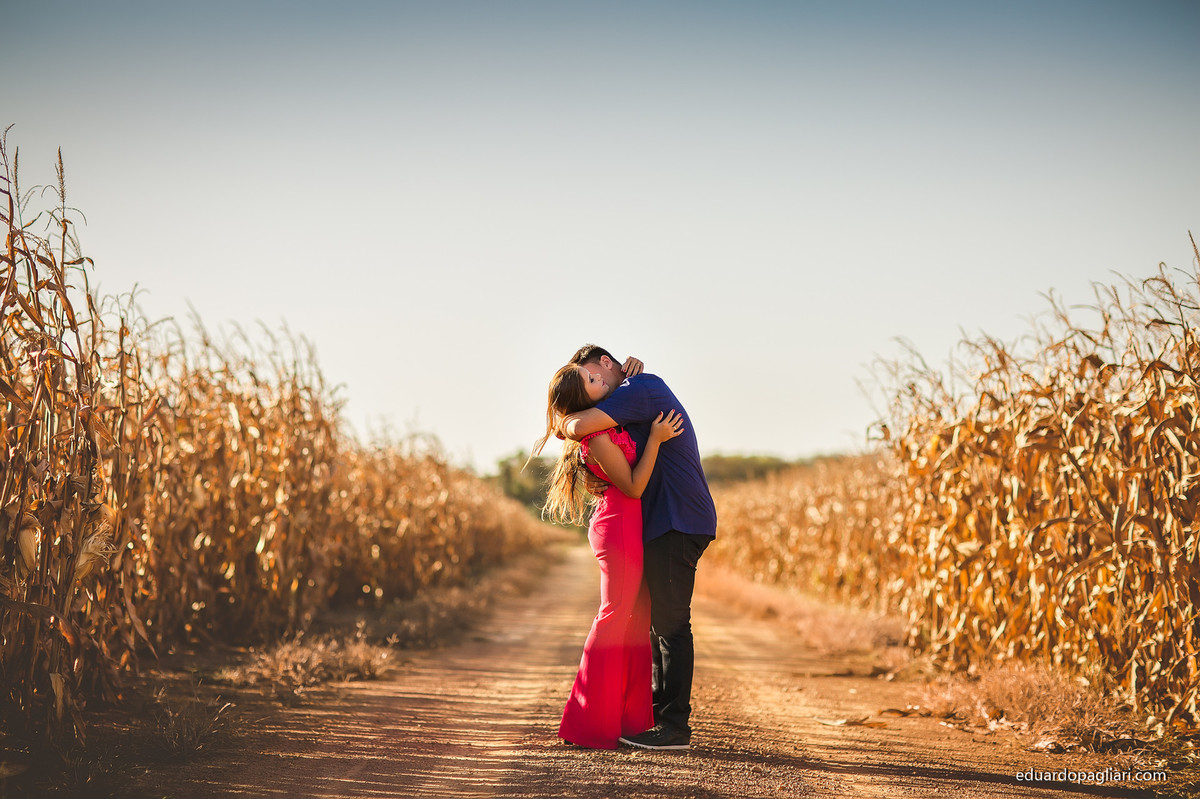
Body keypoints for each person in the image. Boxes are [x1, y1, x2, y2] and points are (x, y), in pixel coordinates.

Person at [561, 345, 718, 751]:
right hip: (659, 521)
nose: (594, 387)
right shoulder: (625, 397)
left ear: (606, 363)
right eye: (586, 385)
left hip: (677, 519)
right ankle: (653, 715)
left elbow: (575, 426)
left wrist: (563, 420)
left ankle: (674, 727)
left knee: (670, 623)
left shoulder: (640, 387)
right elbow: (581, 427)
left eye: (593, 377)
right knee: (654, 622)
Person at [533, 362, 686, 750]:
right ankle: (587, 721)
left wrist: (625, 370)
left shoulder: (606, 423)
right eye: (590, 379)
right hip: (618, 525)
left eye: (596, 373)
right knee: (616, 615)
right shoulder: (598, 437)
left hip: (628, 525)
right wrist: (654, 439)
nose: (598, 377)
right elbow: (634, 487)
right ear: (582, 397)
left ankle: (627, 719)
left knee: (634, 621)